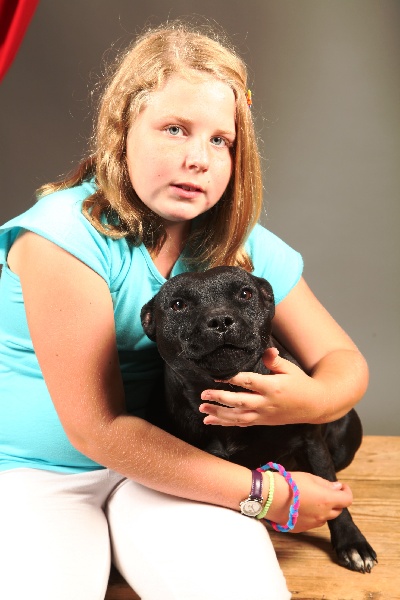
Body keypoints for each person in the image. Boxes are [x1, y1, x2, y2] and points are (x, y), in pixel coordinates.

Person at [0, 22, 368, 600]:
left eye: (221, 140)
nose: (198, 158)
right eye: (175, 129)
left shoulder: (240, 242)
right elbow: (97, 428)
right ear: (121, 130)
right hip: (37, 473)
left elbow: (344, 361)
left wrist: (307, 401)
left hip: (177, 464)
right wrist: (269, 495)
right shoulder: (62, 236)